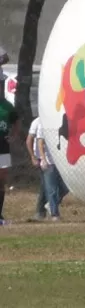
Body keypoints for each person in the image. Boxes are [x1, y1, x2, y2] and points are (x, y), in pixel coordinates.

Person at [27, 116, 67, 222]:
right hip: (48, 161)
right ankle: (54, 214)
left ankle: (48, 206)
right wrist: (41, 158)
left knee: (65, 187)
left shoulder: (61, 121)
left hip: (60, 161)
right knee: (51, 189)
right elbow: (40, 142)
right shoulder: (41, 123)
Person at [0, 94, 20, 225]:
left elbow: (16, 121)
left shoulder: (7, 106)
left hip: (3, 147)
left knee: (1, 180)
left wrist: (13, 136)